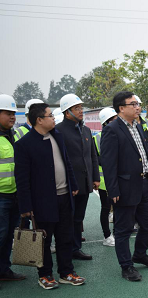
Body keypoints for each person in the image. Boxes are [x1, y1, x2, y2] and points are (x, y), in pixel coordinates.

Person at [15, 103, 85, 289]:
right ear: (39, 120)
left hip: (64, 196)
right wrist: (25, 207)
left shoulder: (57, 136)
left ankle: (66, 272)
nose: (54, 119)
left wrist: (73, 184)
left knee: (65, 237)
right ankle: (45, 275)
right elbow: (21, 179)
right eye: (50, 115)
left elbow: (66, 162)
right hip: (43, 201)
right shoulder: (24, 144)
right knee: (43, 240)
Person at [100, 91, 148, 282]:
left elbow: (144, 155)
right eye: (133, 104)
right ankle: (127, 266)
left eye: (137, 104)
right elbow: (108, 163)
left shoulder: (139, 126)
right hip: (125, 187)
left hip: (144, 183)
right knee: (124, 229)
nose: (137, 107)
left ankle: (140, 254)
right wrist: (113, 189)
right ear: (121, 108)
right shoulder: (112, 129)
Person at [56, 94, 99, 261]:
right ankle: (66, 248)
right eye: (76, 108)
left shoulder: (86, 130)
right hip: (67, 185)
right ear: (67, 112)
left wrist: (95, 177)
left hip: (85, 183)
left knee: (78, 218)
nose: (81, 111)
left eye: (81, 107)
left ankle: (75, 248)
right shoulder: (58, 131)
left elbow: (92, 156)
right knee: (67, 218)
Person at [0, 94, 26, 282]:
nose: (12, 117)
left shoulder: (16, 134)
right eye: (8, 113)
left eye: (14, 113)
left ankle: (4, 270)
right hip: (0, 196)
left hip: (15, 195)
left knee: (9, 236)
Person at [93, 107, 117, 247]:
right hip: (104, 181)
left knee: (119, 208)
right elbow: (96, 159)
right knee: (106, 208)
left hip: (118, 179)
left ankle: (117, 233)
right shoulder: (96, 138)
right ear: (106, 122)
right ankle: (107, 235)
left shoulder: (120, 135)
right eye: (114, 120)